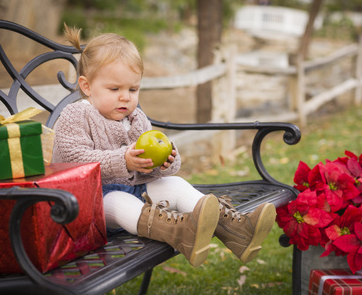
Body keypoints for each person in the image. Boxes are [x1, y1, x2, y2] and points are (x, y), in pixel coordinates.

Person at [52, 24, 277, 267]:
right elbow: (72, 159)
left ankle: (236, 231)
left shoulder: (136, 118)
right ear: (87, 87)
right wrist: (122, 161)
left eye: (133, 89)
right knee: (117, 200)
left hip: (137, 193)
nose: (125, 97)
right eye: (114, 89)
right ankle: (180, 233)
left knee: (175, 184)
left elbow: (150, 170)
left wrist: (166, 162)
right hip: (91, 206)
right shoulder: (76, 115)